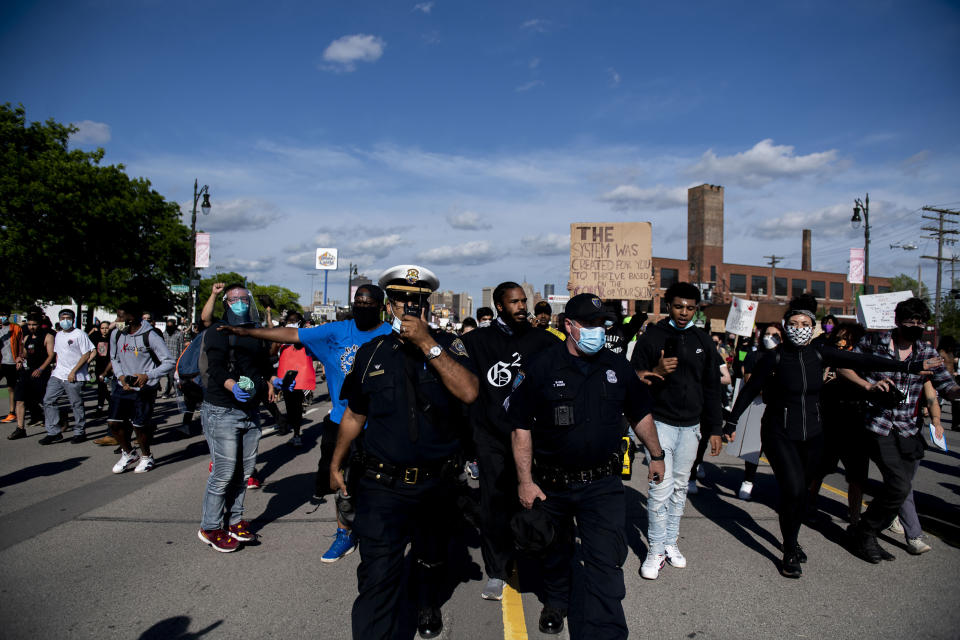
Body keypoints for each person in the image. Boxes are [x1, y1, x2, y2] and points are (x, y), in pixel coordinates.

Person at [726, 295, 940, 578]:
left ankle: (792, 538)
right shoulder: (773, 357)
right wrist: (729, 422)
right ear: (785, 326)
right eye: (793, 323)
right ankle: (790, 550)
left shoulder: (820, 352)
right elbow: (750, 390)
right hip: (779, 432)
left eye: (804, 323)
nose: (798, 327)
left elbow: (864, 359)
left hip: (813, 434)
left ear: (812, 327)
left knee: (801, 494)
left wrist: (909, 367)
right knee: (792, 490)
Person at [330, 264, 478, 640]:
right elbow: (354, 413)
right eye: (401, 301)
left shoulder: (449, 346)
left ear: (428, 305)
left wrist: (428, 343)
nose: (409, 308)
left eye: (417, 301)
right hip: (382, 484)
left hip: (436, 484)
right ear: (388, 306)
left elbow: (470, 392)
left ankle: (427, 605)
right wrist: (337, 461)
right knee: (377, 576)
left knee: (431, 558)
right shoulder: (372, 352)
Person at [507, 292, 665, 637]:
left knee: (605, 563)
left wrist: (656, 455)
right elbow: (521, 427)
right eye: (590, 324)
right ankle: (556, 602)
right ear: (569, 326)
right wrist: (524, 481)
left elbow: (639, 413)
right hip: (551, 485)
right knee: (554, 552)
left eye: (601, 324)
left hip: (601, 485)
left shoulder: (616, 366)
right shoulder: (541, 366)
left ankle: (606, 632)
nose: (598, 330)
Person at [218, 284, 392, 562]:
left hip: (382, 425)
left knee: (379, 483)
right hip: (341, 421)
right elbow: (291, 333)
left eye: (369, 303)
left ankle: (378, 530)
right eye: (358, 301)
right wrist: (247, 331)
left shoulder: (391, 336)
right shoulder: (338, 330)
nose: (362, 306)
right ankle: (344, 532)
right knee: (340, 483)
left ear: (381, 307)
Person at [460, 281, 562, 601]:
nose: (522, 306)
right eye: (514, 302)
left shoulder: (544, 341)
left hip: (532, 435)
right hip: (491, 435)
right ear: (500, 306)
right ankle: (497, 571)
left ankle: (539, 559)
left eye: (524, 301)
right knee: (494, 504)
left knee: (534, 499)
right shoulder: (476, 341)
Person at [839, 297, 960, 564]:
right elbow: (844, 366)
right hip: (877, 423)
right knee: (899, 484)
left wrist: (955, 393)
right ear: (897, 321)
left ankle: (864, 530)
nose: (916, 326)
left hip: (907, 428)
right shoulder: (874, 343)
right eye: (910, 321)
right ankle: (867, 531)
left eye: (921, 322)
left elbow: (947, 387)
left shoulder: (927, 352)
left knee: (899, 488)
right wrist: (868, 386)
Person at [630, 282, 723, 580]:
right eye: (679, 306)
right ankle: (655, 550)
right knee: (659, 490)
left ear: (696, 309)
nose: (684, 313)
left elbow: (711, 387)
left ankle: (671, 541)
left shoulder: (703, 340)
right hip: (659, 425)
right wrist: (655, 372)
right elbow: (633, 379)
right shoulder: (651, 337)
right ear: (668, 305)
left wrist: (716, 428)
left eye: (690, 308)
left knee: (680, 488)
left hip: (692, 428)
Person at [198, 284, 281, 552]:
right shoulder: (218, 330)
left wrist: (271, 380)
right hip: (222, 409)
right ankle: (210, 527)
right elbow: (216, 368)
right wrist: (233, 386)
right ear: (226, 303)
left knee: (244, 473)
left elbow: (262, 365)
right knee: (223, 473)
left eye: (244, 298)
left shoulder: (254, 330)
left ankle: (234, 521)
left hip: (250, 411)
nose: (240, 303)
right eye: (234, 299)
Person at [806, 322, 869, 525]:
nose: (842, 342)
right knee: (819, 469)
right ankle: (808, 502)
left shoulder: (862, 362)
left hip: (855, 424)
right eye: (840, 337)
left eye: (847, 338)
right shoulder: (826, 357)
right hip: (828, 422)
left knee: (857, 476)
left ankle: (855, 516)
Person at [107, 301, 175, 473]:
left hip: (145, 388)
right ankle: (129, 453)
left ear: (131, 318)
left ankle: (146, 456)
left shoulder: (150, 335)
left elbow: (169, 362)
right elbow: (114, 358)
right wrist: (121, 376)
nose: (117, 320)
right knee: (114, 423)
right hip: (123, 386)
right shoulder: (116, 334)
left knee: (139, 425)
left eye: (120, 316)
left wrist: (148, 376)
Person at [38, 309, 95, 445]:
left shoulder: (79, 334)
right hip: (58, 374)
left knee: (76, 404)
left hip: (75, 376)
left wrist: (74, 371)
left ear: (73, 319)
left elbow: (87, 354)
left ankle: (79, 432)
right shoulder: (58, 335)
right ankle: (54, 432)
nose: (65, 320)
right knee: (48, 400)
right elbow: (58, 353)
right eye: (62, 318)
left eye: (68, 318)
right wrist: (56, 368)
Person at [7, 313, 53, 440]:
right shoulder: (27, 338)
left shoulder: (48, 337)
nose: (31, 327)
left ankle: (60, 418)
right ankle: (20, 428)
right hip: (27, 373)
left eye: (34, 324)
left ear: (39, 324)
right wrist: (20, 358)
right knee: (20, 399)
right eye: (29, 324)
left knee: (45, 400)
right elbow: (24, 353)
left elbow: (51, 355)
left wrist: (41, 369)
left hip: (41, 373)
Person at [274, 311, 316, 447]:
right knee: (290, 407)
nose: (292, 323)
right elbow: (272, 352)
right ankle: (296, 432)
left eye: (295, 321)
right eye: (290, 321)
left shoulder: (305, 336)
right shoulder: (282, 337)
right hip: (285, 378)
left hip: (301, 378)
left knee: (296, 407)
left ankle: (297, 434)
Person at [0, 307, 23, 423]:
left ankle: (12, 412)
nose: (2, 317)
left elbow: (21, 344)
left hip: (11, 362)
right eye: (0, 314)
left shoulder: (16, 328)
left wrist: (20, 358)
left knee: (11, 388)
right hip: (0, 362)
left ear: (8, 315)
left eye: (4, 314)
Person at [161, 317, 185, 398]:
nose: (169, 327)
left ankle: (167, 392)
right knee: (169, 377)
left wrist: (181, 359)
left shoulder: (179, 334)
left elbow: (181, 347)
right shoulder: (164, 334)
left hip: (175, 358)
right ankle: (177, 391)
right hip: (165, 358)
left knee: (172, 376)